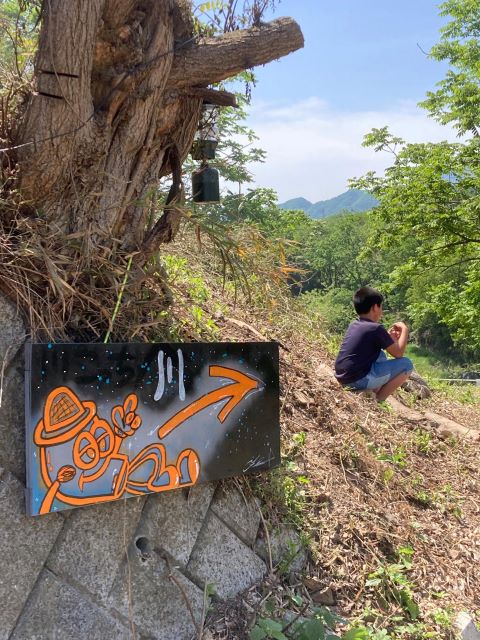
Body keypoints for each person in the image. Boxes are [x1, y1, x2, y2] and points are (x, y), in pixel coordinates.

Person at [334, 286, 413, 402]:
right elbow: (398, 353)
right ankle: (379, 400)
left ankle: (372, 389)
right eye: (381, 306)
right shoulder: (376, 328)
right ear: (375, 307)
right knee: (407, 364)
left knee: (380, 355)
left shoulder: (355, 324)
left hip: (343, 377)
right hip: (357, 380)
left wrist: (388, 337)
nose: (381, 310)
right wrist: (405, 329)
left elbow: (371, 343)